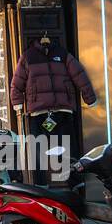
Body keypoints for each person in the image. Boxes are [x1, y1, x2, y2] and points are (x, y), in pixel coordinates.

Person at [10, 34, 97, 185]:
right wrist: (17, 103)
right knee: (38, 152)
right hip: (38, 113)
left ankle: (74, 182)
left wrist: (89, 97)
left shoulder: (62, 54)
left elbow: (79, 75)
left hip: (62, 110)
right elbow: (16, 84)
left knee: (67, 149)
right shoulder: (28, 57)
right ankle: (40, 185)